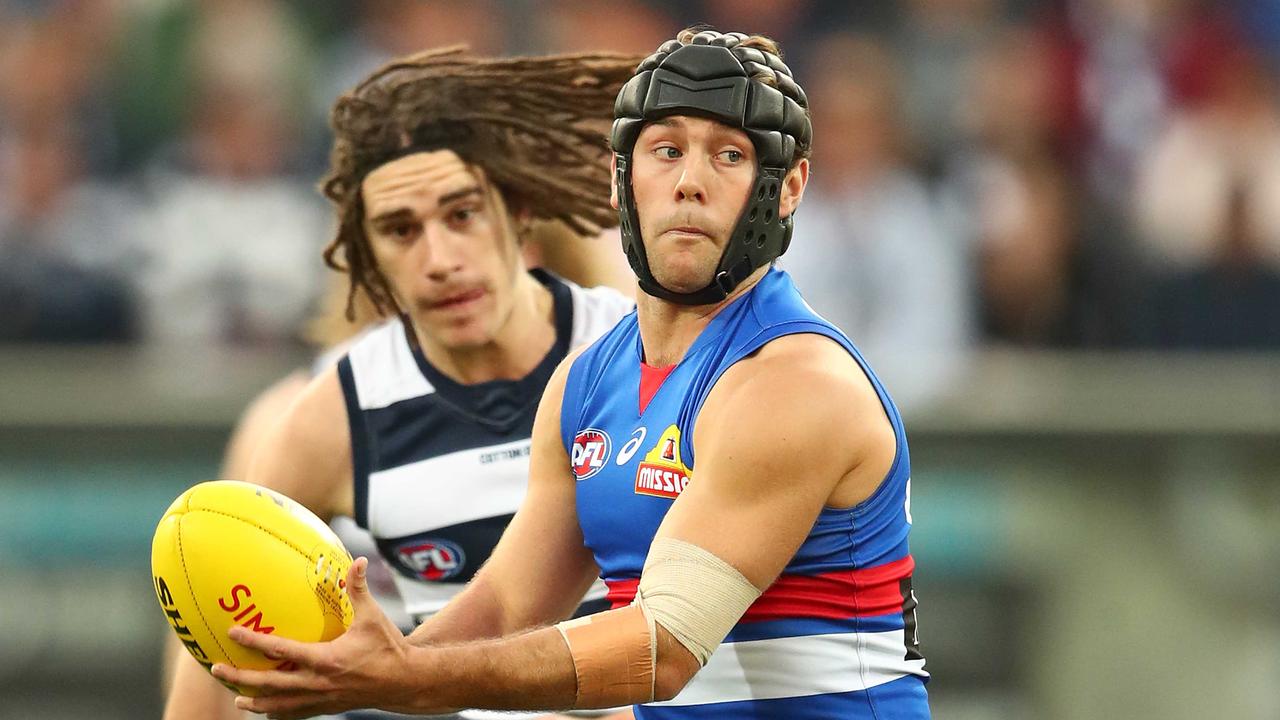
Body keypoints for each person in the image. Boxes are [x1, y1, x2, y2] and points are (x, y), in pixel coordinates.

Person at [213, 28, 931, 720]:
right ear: (618, 180)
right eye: (666, 150)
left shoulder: (795, 381)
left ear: (788, 186)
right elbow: (505, 607)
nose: (688, 183)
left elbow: (660, 649)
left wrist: (406, 676)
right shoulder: (587, 383)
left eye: (730, 156)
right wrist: (370, 670)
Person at [163, 46, 641, 720]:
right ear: (367, 256)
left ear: (521, 207)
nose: (440, 260)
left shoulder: (642, 351)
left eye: (462, 213)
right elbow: (213, 657)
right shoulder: (334, 415)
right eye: (399, 230)